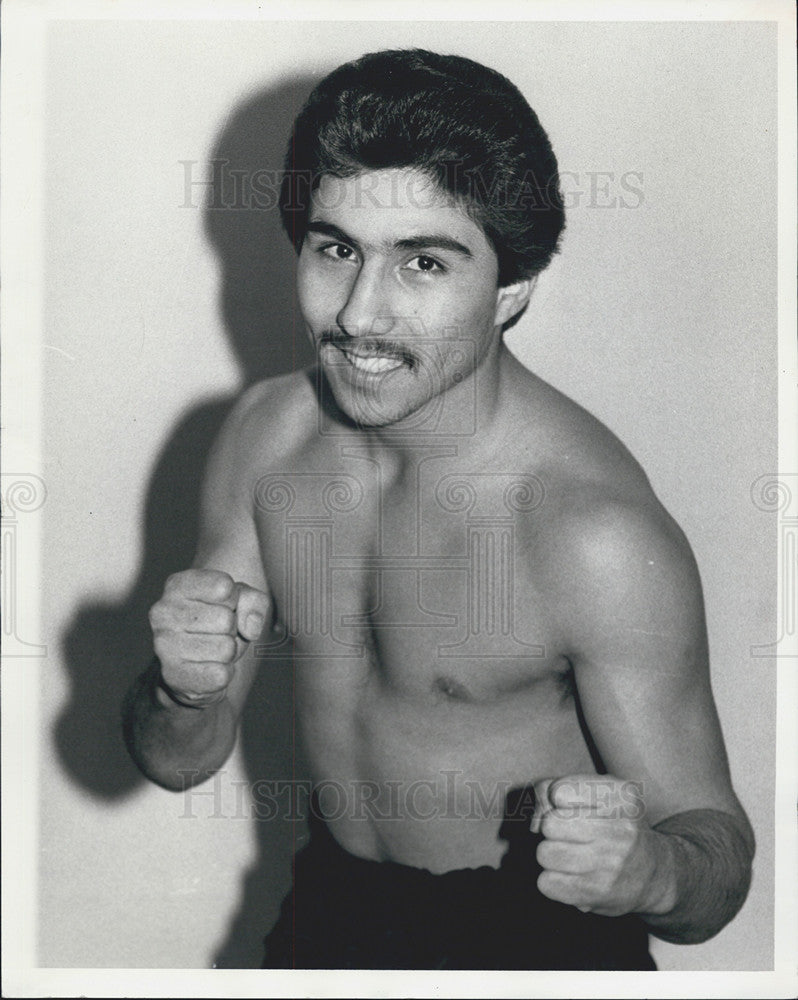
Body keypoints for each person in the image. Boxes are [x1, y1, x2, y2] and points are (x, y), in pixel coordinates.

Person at [123, 49, 754, 970]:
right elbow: (178, 761)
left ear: (512, 291)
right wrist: (179, 691)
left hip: (534, 939)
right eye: (337, 250)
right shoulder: (269, 439)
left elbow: (717, 868)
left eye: (422, 262)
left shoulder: (589, 535)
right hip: (333, 907)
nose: (360, 315)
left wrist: (652, 873)